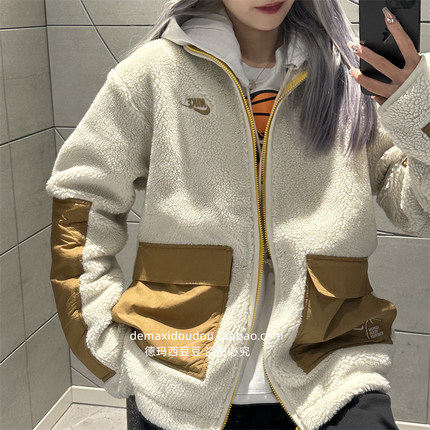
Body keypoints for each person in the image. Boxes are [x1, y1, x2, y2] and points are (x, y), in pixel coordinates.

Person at [45, 0, 430, 429]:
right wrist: (106, 350)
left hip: (332, 374)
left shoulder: (351, 79)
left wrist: (421, 111)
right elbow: (83, 197)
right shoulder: (154, 72)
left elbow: (416, 210)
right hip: (176, 381)